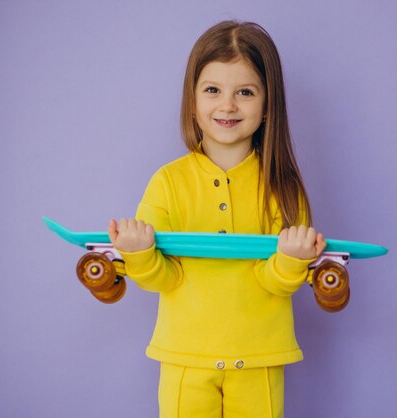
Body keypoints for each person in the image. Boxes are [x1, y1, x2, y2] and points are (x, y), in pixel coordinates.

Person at [107, 20, 326, 418]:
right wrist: (139, 254)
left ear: (267, 105)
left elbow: (274, 282)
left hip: (259, 356)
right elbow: (164, 278)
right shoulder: (167, 182)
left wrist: (293, 260)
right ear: (192, 101)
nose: (227, 105)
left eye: (245, 92)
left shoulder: (282, 186)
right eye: (213, 91)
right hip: (185, 357)